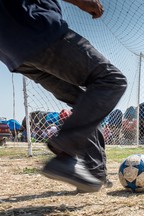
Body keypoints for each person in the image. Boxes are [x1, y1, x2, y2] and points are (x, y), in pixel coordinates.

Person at [0, 0, 127, 193]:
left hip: (13, 52)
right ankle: (65, 150)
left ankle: (92, 172)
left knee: (83, 102)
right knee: (111, 80)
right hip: (37, 28)